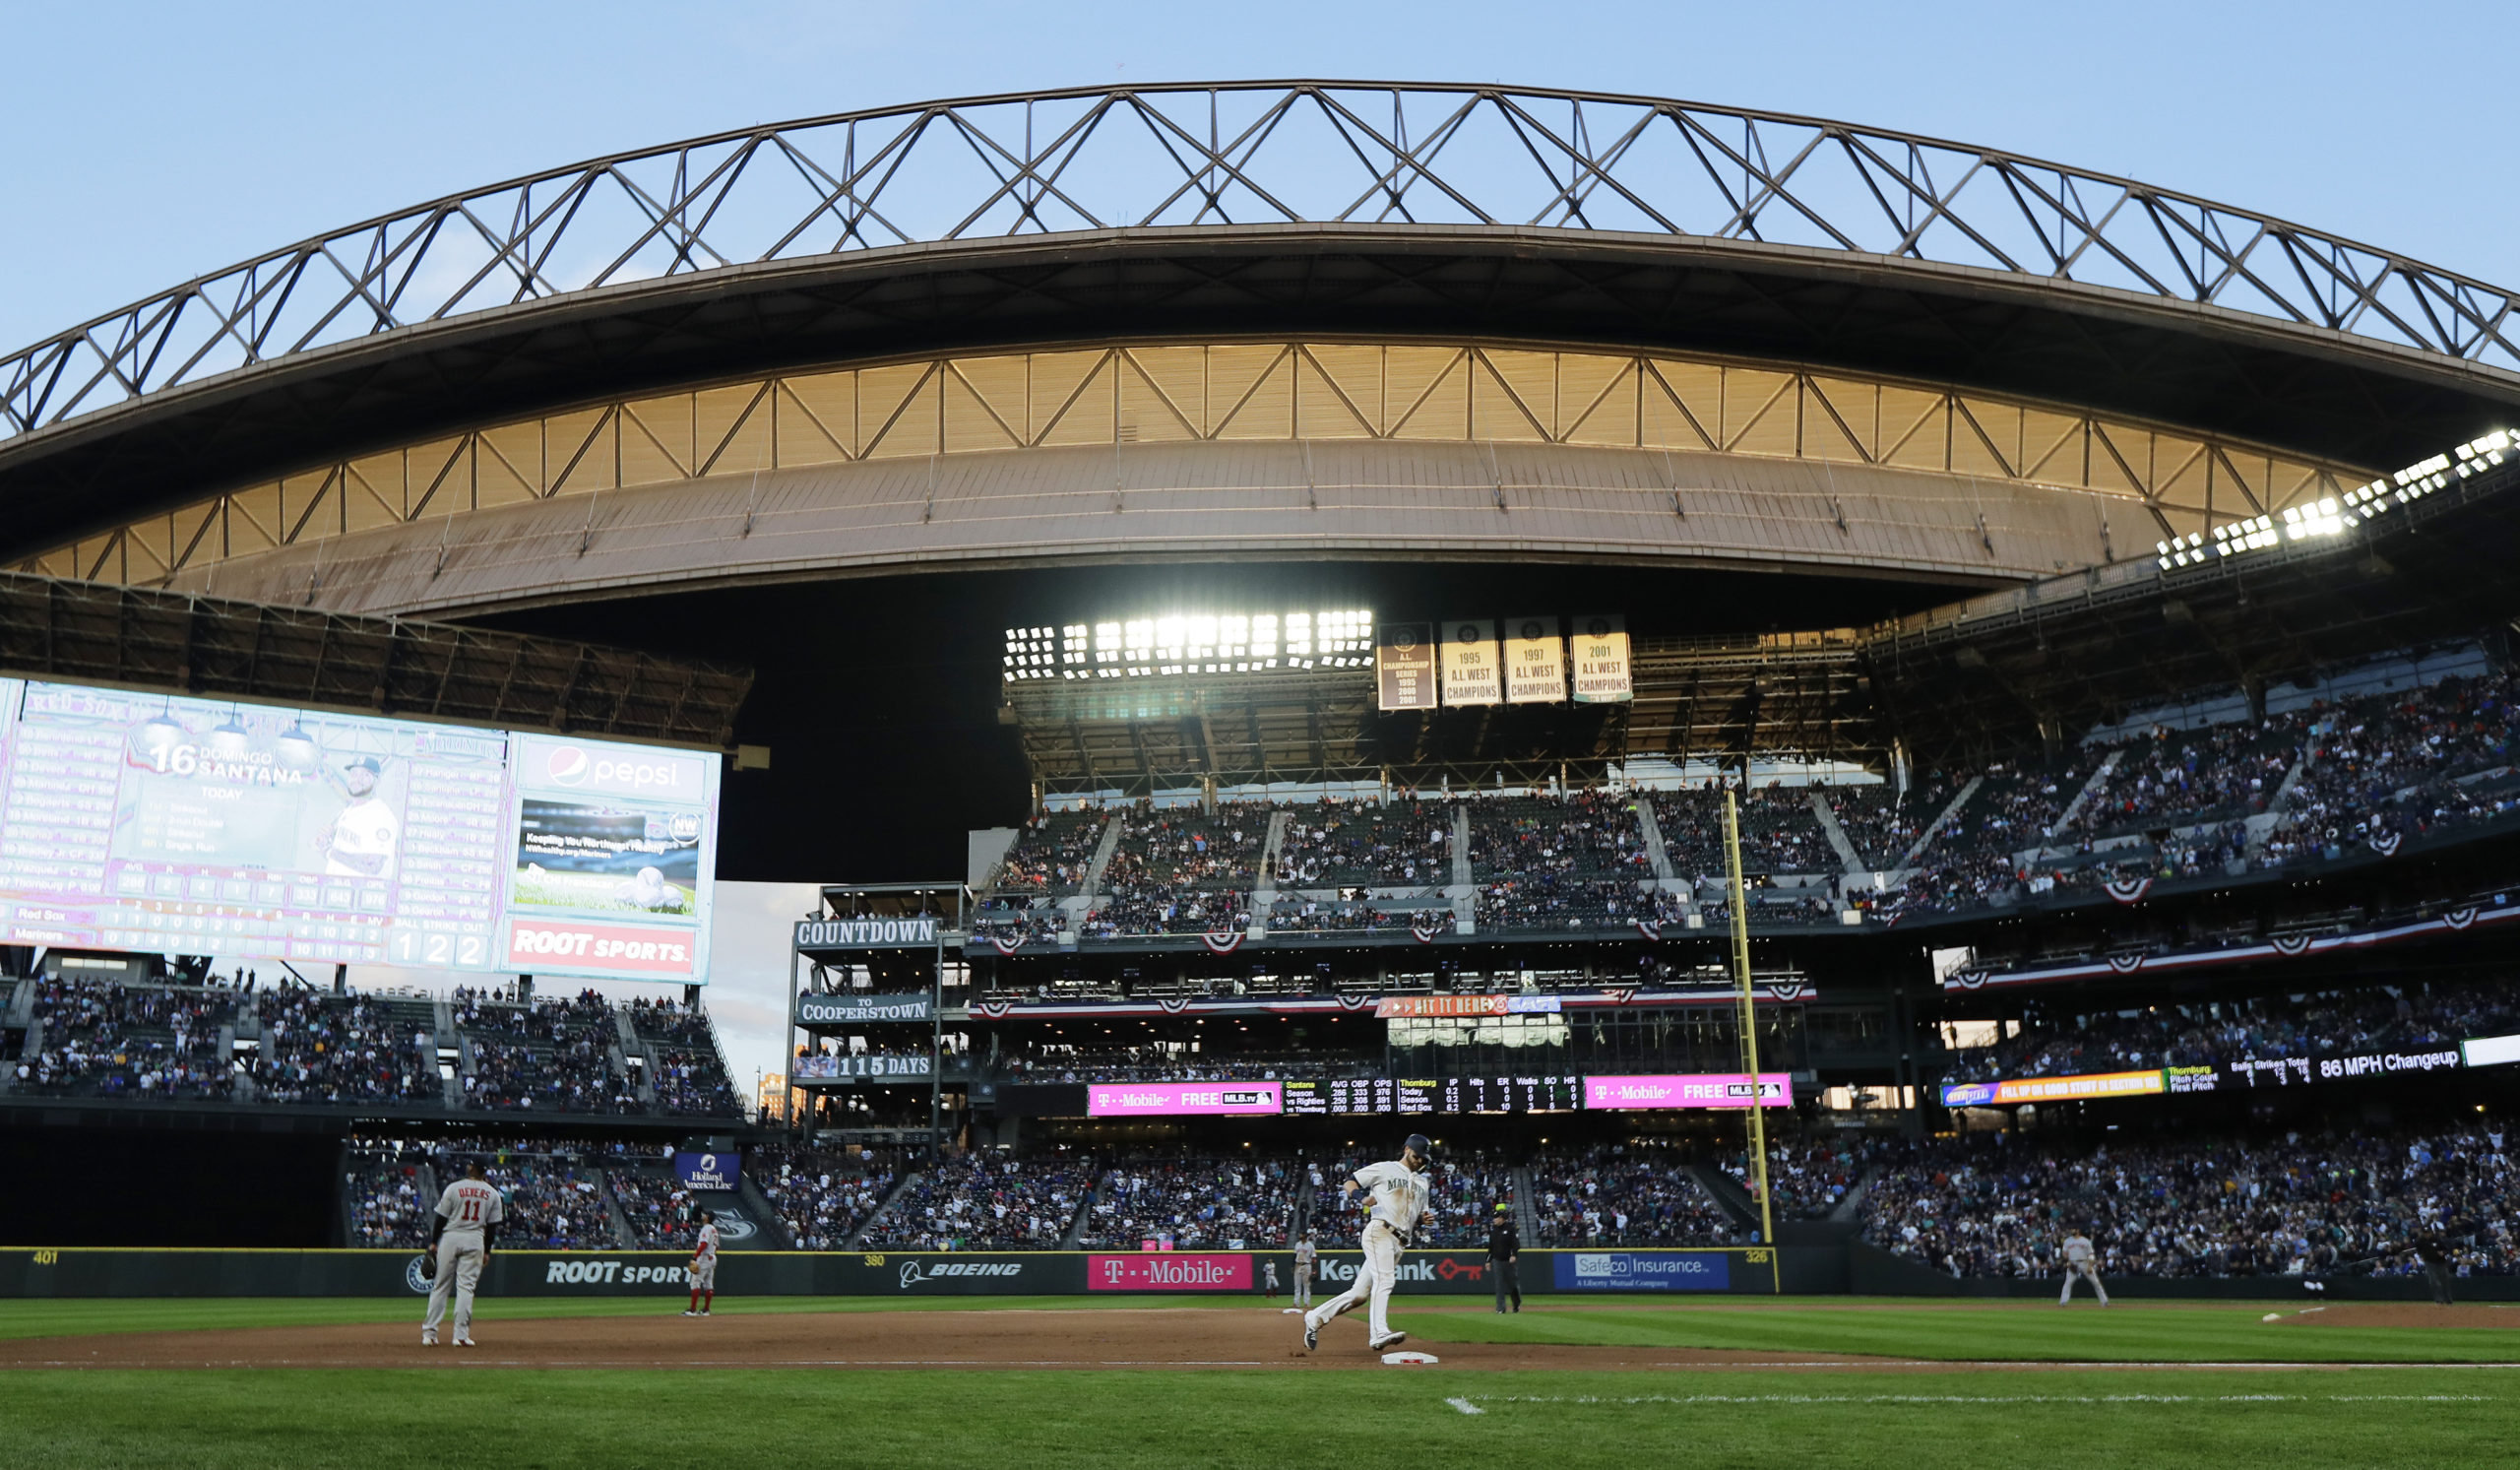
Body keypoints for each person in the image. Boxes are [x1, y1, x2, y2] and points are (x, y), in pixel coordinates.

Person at [1302, 1134, 1432, 1354]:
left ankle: (1314, 1318)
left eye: (1424, 1159)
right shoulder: (1385, 1168)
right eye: (1418, 1156)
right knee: (1386, 1279)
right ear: (1407, 1149)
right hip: (1380, 1230)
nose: (1420, 1161)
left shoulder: (1422, 1181)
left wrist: (1423, 1219)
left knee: (1359, 1295)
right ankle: (1379, 1333)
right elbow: (1349, 1182)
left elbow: (1417, 1213)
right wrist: (1361, 1197)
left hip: (1400, 1241)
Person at [421, 1161, 503, 1347]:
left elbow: (441, 1217)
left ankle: (429, 1334)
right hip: (475, 1238)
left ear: (470, 1169)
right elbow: (492, 1227)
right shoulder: (492, 1193)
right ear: (484, 1173)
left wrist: (434, 1242)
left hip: (451, 1236)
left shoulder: (453, 1188)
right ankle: (460, 1336)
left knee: (440, 1286)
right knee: (466, 1288)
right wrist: (487, 1251)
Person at [318, 756, 399, 880]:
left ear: (377, 781)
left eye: (365, 775)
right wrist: (328, 841)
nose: (357, 779)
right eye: (354, 773)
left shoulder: (382, 816)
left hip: (360, 897)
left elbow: (373, 866)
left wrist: (330, 852)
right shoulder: (348, 811)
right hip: (334, 892)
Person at [2058, 1227, 2108, 1307]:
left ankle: (2104, 1301)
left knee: (2095, 1282)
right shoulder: (2067, 1241)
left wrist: (2090, 1266)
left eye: (2073, 1229)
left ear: (2078, 1230)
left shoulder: (2085, 1241)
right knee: (2068, 1282)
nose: (2072, 1230)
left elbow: (2091, 1254)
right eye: (2071, 1229)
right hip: (2073, 1263)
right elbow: (2064, 1252)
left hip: (2084, 1262)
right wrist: (2068, 1261)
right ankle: (2063, 1301)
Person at [683, 1208, 720, 1316]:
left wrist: (695, 1257)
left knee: (695, 1282)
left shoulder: (706, 1228)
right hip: (712, 1257)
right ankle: (706, 1310)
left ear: (708, 1217)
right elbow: (717, 1246)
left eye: (705, 1214)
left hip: (704, 1258)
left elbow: (703, 1244)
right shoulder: (714, 1229)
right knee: (708, 1284)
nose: (703, 1215)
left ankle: (693, 1310)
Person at [1487, 1202, 1522, 1313]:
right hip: (1497, 1260)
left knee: (1512, 1285)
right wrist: (1488, 1261)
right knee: (1499, 1285)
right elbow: (1491, 1247)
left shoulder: (1510, 1229)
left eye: (1496, 1218)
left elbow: (1515, 1244)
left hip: (1509, 1261)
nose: (1494, 1220)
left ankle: (1516, 1304)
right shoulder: (1493, 1231)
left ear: (1502, 1218)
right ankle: (1500, 1308)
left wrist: (1514, 1255)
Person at [1292, 1233, 1316, 1310]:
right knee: (1297, 1285)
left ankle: (1307, 1303)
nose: (1300, 1236)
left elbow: (1314, 1258)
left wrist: (1314, 1270)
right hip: (1298, 1265)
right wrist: (1293, 1266)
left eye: (1301, 1235)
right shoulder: (1297, 1244)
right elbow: (1294, 1255)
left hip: (1307, 1265)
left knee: (1306, 1285)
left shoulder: (1310, 1245)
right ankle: (1296, 1303)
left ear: (1305, 1236)